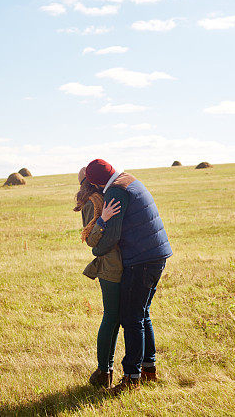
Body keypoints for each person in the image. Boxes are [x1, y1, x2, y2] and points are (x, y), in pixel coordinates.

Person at [83, 158, 173, 393]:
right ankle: (149, 369)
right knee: (142, 314)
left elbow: (110, 236)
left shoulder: (116, 191)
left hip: (141, 260)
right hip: (156, 254)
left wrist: (96, 250)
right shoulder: (129, 179)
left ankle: (131, 379)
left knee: (132, 318)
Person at [75, 167, 123, 389]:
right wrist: (103, 219)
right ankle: (105, 370)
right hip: (110, 268)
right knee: (111, 318)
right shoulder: (91, 203)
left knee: (121, 318)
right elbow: (91, 239)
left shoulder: (109, 195)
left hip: (123, 265)